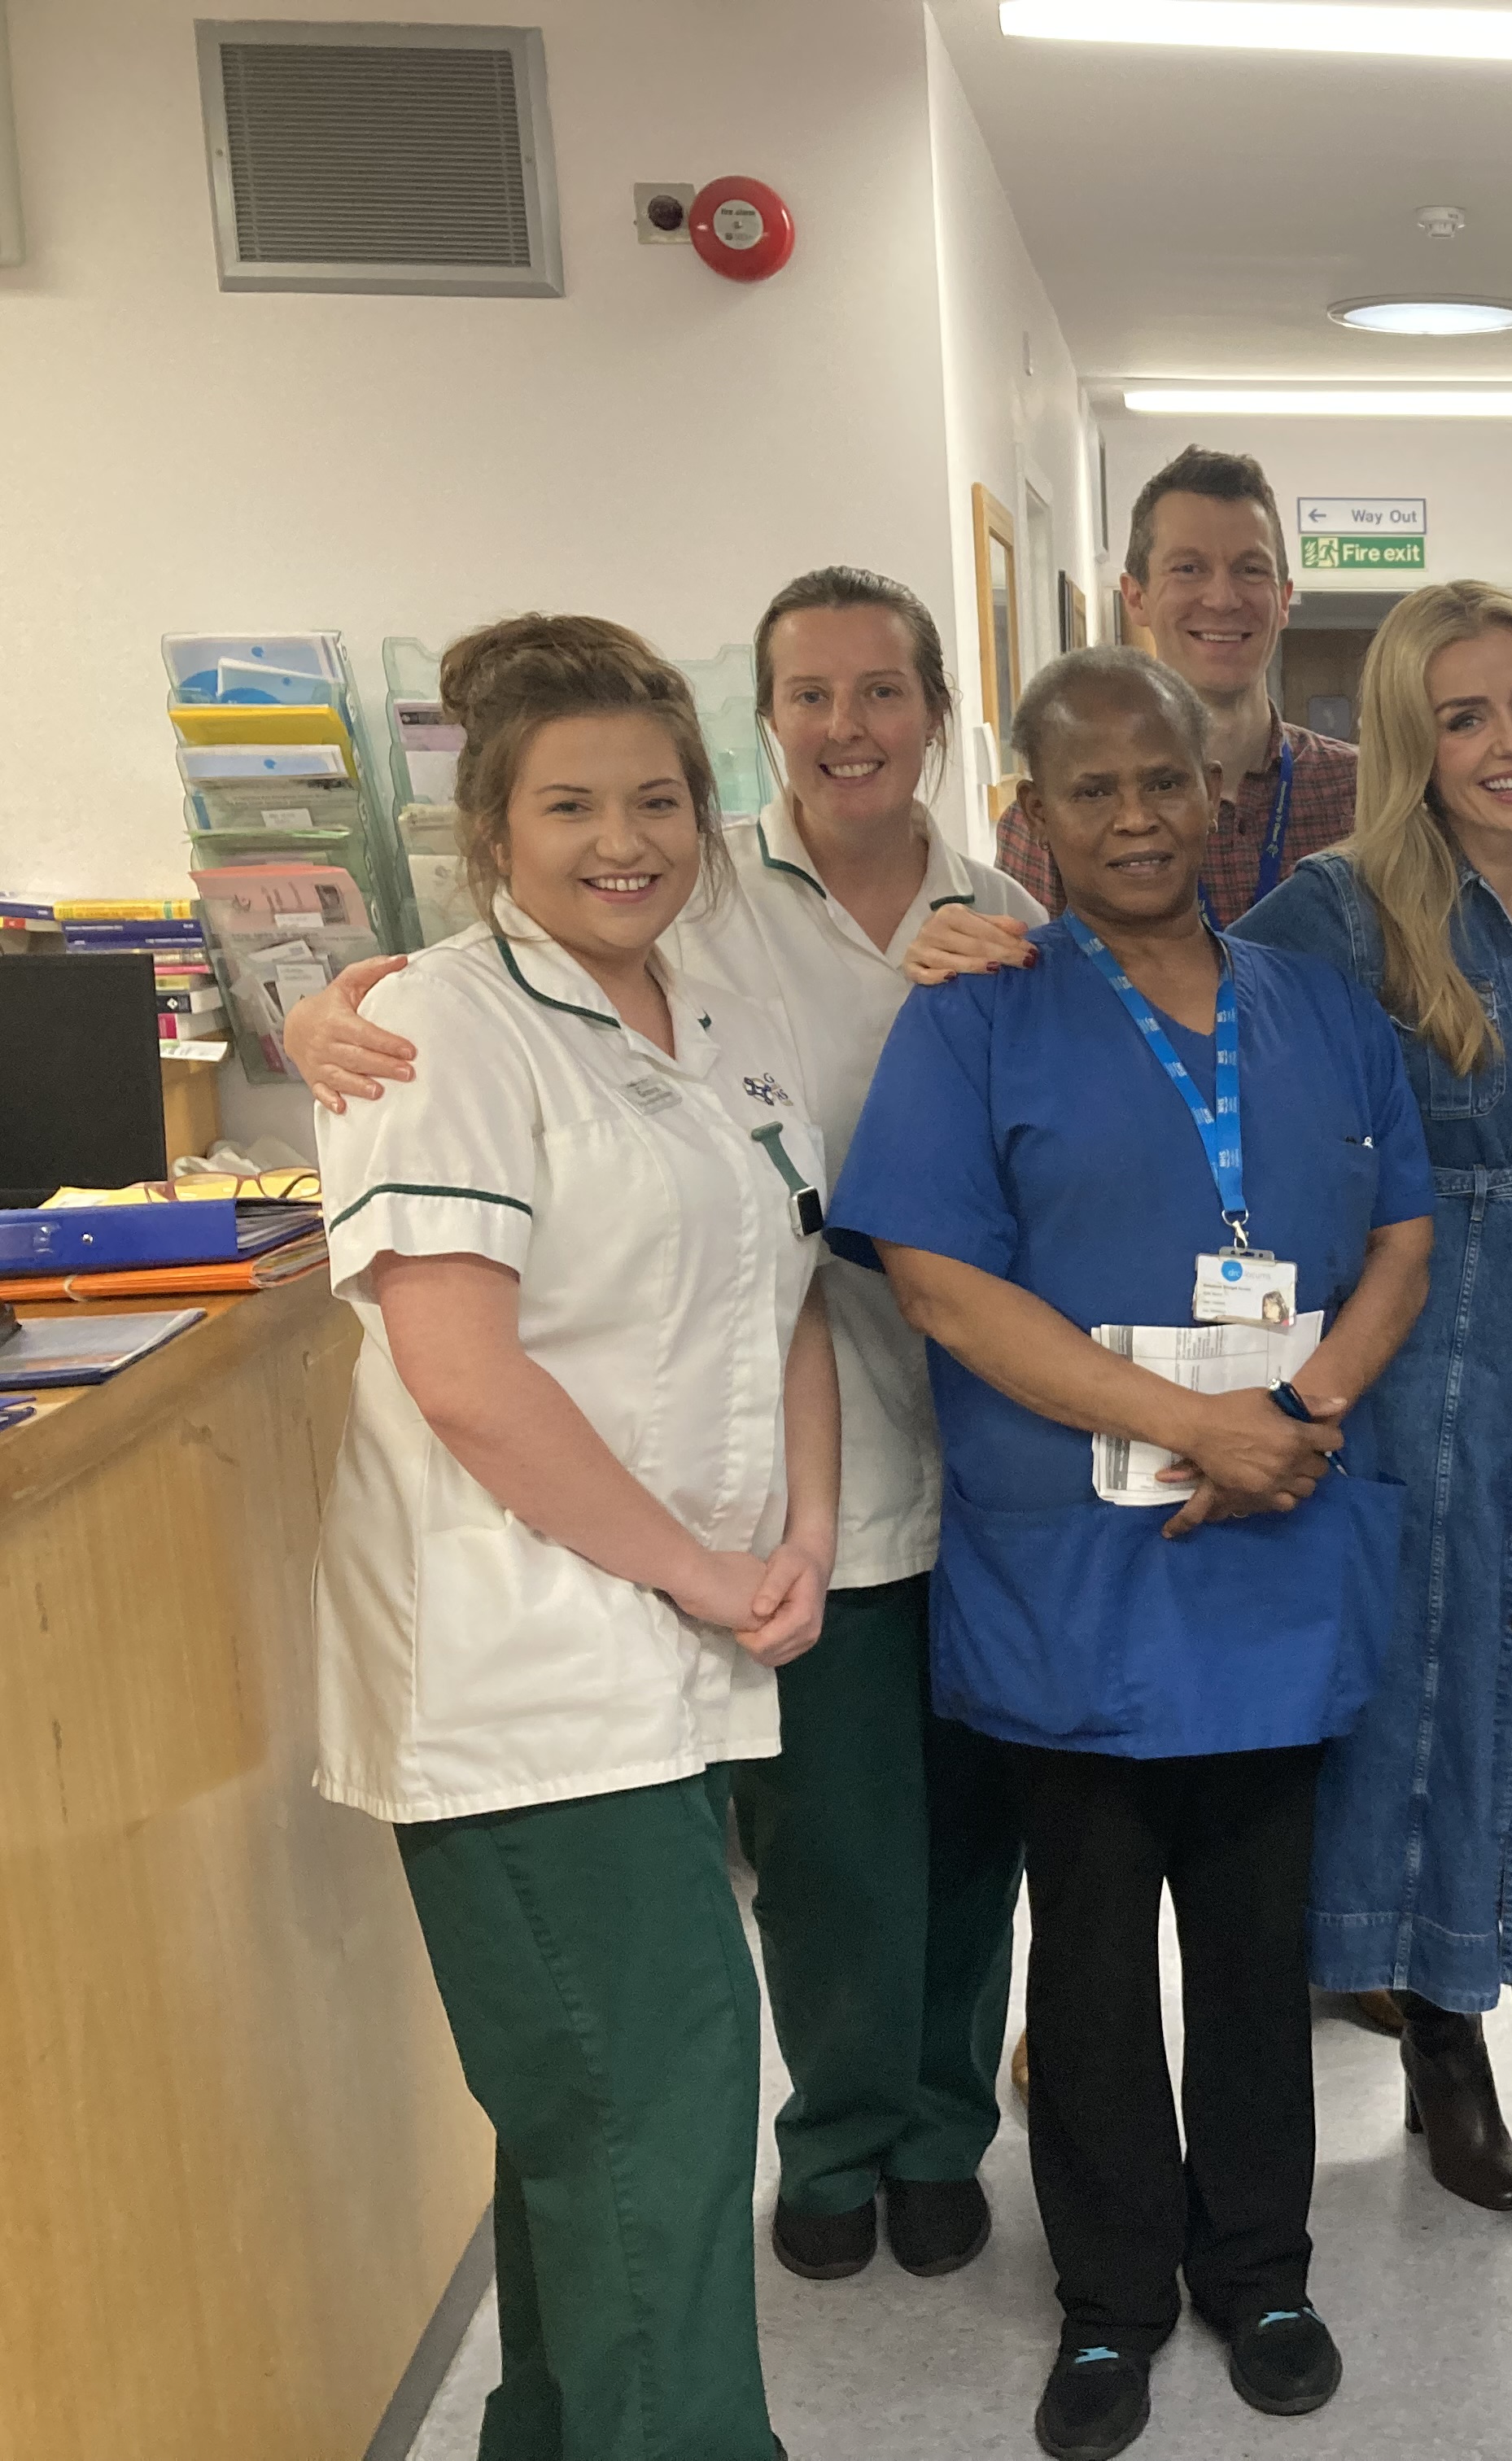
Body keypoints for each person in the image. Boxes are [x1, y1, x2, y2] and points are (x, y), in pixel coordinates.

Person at [289, 569, 1042, 2286]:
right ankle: (839, 2134)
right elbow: (482, 998)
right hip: (782, 1476)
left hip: (975, 1439)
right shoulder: (698, 903)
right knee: (833, 1847)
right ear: (763, 726)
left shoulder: (1003, 908)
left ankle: (944, 2127)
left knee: (970, 1832)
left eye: (882, 690)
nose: (848, 725)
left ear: (937, 713)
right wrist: (325, 1009)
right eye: (809, 694)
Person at [832, 647, 1433, 2461]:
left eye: (1163, 778)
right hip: (1082, 1572)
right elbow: (939, 1281)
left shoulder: (1319, 1006)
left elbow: (1401, 1238)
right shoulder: (979, 1013)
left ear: (1214, 788)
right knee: (1088, 1958)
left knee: (1256, 1945)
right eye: (1089, 789)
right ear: (1035, 813)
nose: (1136, 816)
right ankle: (1109, 2297)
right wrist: (1199, 1424)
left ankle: (1260, 2266)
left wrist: (1299, 1411)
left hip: (1277, 1546)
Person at [308, 614, 840, 2461]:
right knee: (652, 2106)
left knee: (605, 2115)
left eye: (659, 800)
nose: (625, 840)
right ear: (492, 832)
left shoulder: (721, 1018)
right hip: (522, 1655)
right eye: (571, 806)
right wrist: (702, 1568)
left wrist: (804, 1531)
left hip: (670, 1642)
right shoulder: (439, 1027)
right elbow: (462, 1375)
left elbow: (790, 1292)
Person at [1245, 582, 1512, 2345]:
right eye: (1464, 714)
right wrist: (994, 959)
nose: (1510, 742)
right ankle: (1443, 2060)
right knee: (1415, 1728)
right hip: (1397, 1371)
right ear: (1409, 744)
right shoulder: (1332, 912)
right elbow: (1171, 1023)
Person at [994, 444, 1359, 926]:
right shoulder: (1058, 818)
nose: (1223, 598)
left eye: (1251, 569)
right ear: (1135, 597)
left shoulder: (1364, 793)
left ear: (1284, 599)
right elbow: (1018, 964)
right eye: (1189, 568)